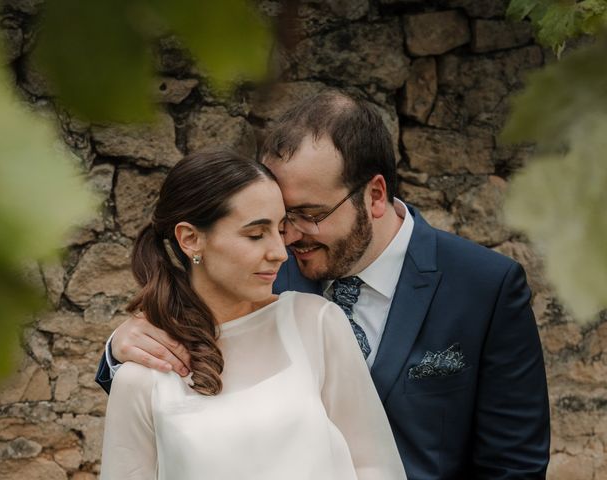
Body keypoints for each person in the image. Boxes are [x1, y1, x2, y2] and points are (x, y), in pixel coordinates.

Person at [96, 91, 550, 479]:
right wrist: (118, 352)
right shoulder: (270, 276)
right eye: (276, 220)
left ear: (374, 195)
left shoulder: (484, 286)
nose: (287, 238)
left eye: (308, 215)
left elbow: (513, 465)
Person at [99, 148, 407, 480]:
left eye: (280, 229)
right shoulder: (142, 377)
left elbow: (376, 466)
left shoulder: (316, 323)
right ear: (190, 239)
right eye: (256, 234)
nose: (280, 253)